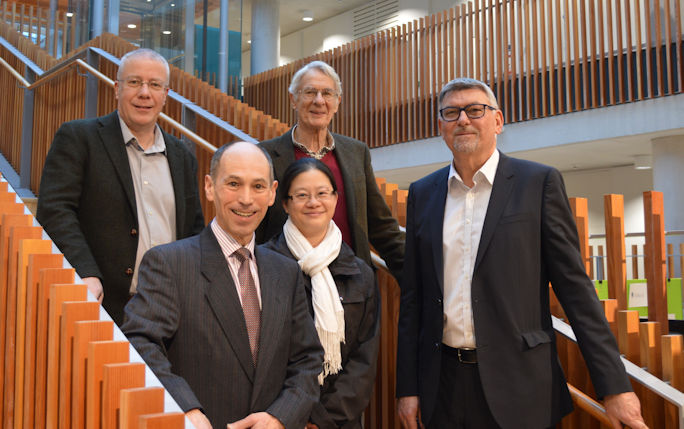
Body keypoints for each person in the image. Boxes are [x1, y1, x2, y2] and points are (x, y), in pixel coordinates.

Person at [395, 78, 647, 429]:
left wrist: (615, 387)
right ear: (441, 127)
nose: (463, 119)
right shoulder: (423, 193)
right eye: (451, 112)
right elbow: (413, 302)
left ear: (497, 121)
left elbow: (576, 291)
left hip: (521, 387)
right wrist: (407, 388)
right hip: (443, 386)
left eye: (475, 110)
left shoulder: (537, 183)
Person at [122, 142, 324, 429]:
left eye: (257, 186)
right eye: (233, 183)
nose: (245, 199)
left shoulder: (286, 271)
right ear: (209, 186)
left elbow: (307, 358)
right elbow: (140, 343)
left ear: (271, 193)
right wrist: (184, 409)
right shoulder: (169, 263)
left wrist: (280, 416)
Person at [36, 48, 204, 325]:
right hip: (103, 303)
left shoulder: (182, 155)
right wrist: (84, 272)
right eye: (135, 82)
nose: (144, 93)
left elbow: (193, 229)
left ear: (166, 95)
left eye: (155, 85)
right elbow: (55, 210)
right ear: (117, 88)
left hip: (172, 307)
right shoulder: (79, 138)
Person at [257, 61, 404, 281]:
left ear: (337, 102)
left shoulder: (356, 152)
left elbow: (380, 226)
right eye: (309, 92)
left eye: (327, 93)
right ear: (293, 100)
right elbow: (256, 228)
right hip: (287, 284)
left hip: (352, 285)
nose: (319, 101)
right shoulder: (265, 155)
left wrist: (418, 278)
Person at [263, 158, 379, 429]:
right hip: (277, 417)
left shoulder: (359, 272)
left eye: (322, 193)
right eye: (302, 195)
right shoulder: (264, 264)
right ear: (285, 203)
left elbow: (365, 358)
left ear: (336, 198)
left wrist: (322, 421)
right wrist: (290, 413)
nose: (313, 202)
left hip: (339, 420)